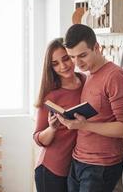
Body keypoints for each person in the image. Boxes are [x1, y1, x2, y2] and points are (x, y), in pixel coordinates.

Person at [56, 24, 123, 192]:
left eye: (83, 55)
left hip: (100, 166)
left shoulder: (115, 76)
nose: (77, 63)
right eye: (72, 57)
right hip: (79, 160)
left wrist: (84, 125)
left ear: (97, 47)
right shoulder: (89, 75)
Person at [33, 38, 85, 192]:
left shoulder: (86, 81)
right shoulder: (51, 96)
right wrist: (52, 128)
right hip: (51, 170)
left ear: (73, 55)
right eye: (55, 64)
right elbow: (38, 137)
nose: (63, 66)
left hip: (77, 168)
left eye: (65, 58)